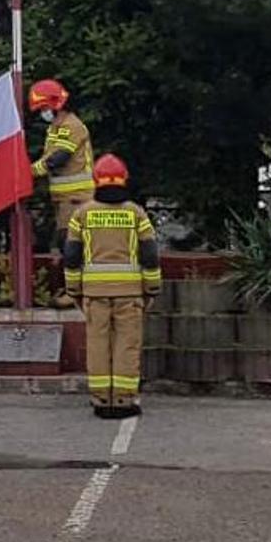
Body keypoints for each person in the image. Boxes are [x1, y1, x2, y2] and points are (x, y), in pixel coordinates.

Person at [63, 154, 162, 420]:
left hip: (94, 295)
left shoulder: (82, 214)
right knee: (127, 345)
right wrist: (151, 288)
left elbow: (72, 257)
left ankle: (100, 399)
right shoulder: (135, 213)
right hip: (130, 294)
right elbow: (150, 255)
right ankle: (123, 399)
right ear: (124, 180)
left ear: (96, 180)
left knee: (97, 344)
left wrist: (73, 290)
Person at [27, 79, 94, 305]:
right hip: (65, 199)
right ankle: (74, 291)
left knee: (72, 245)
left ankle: (75, 293)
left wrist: (28, 172)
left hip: (77, 197)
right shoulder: (55, 128)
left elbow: (57, 159)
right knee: (67, 244)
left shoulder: (71, 126)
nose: (42, 113)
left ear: (56, 104)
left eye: (44, 108)